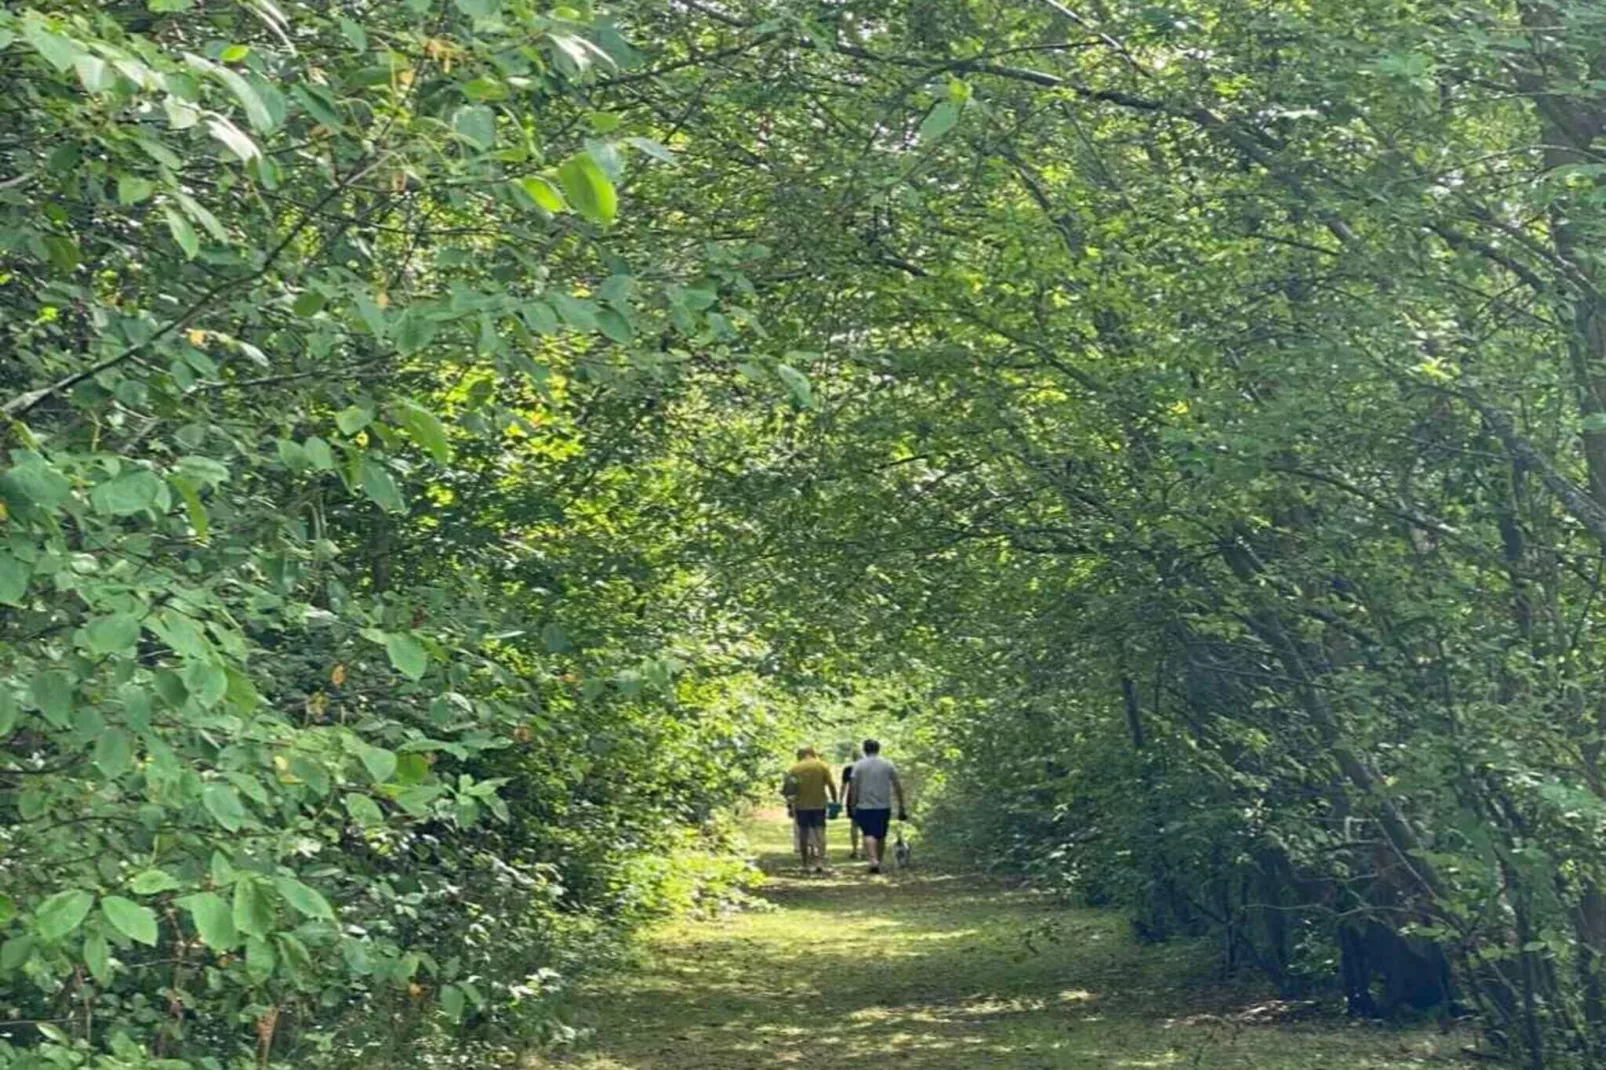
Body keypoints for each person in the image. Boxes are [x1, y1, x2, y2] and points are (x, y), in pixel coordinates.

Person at [849, 738, 906, 875]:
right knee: (881, 835)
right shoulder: (887, 764)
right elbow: (897, 785)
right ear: (878, 749)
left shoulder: (858, 765)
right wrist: (901, 804)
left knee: (868, 833)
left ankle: (873, 860)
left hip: (864, 805)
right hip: (883, 806)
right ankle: (878, 862)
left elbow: (854, 787)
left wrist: (853, 804)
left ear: (865, 749)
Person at [785, 746, 837, 873]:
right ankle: (820, 862)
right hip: (819, 804)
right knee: (820, 831)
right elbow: (831, 784)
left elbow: (789, 789)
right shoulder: (822, 766)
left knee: (803, 833)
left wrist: (790, 804)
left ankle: (805, 863)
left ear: (801, 755)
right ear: (813, 753)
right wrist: (835, 800)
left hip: (801, 805)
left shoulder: (795, 768)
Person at [841, 747, 863, 859]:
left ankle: (855, 850)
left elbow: (844, 786)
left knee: (854, 825)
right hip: (866, 797)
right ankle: (865, 851)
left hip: (852, 798)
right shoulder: (867, 769)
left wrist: (839, 800)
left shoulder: (848, 769)